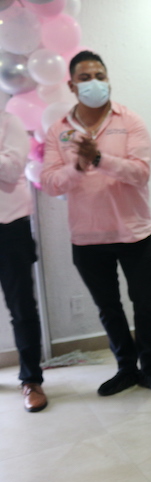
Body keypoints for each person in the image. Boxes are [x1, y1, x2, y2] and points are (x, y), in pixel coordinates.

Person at [41, 51, 151, 397]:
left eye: (100, 76)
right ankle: (126, 369)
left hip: (134, 233)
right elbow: (50, 183)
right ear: (71, 85)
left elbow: (140, 173)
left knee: (145, 304)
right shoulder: (58, 131)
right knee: (108, 309)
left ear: (108, 79)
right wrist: (79, 166)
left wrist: (99, 158)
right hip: (87, 238)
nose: (94, 83)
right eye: (85, 78)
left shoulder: (129, 120)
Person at [0, 111, 47, 412]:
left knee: (22, 308)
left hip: (9, 227)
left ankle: (31, 380)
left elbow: (11, 168)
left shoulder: (8, 122)